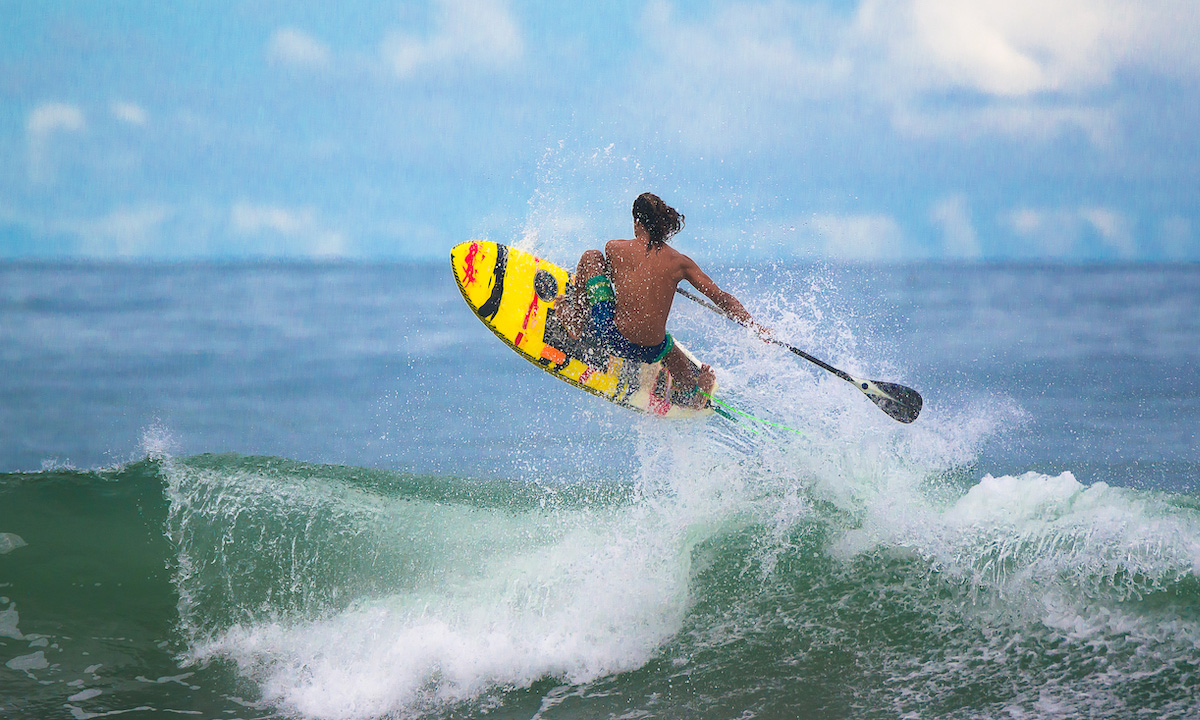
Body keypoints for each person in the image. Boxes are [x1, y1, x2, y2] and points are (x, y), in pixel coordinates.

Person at [555, 192, 769, 409]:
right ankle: (693, 391)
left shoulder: (614, 248)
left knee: (591, 257)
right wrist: (756, 327)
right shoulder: (680, 263)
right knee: (669, 346)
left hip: (612, 337)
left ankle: (576, 322)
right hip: (651, 349)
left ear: (637, 221)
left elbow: (611, 278)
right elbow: (722, 298)